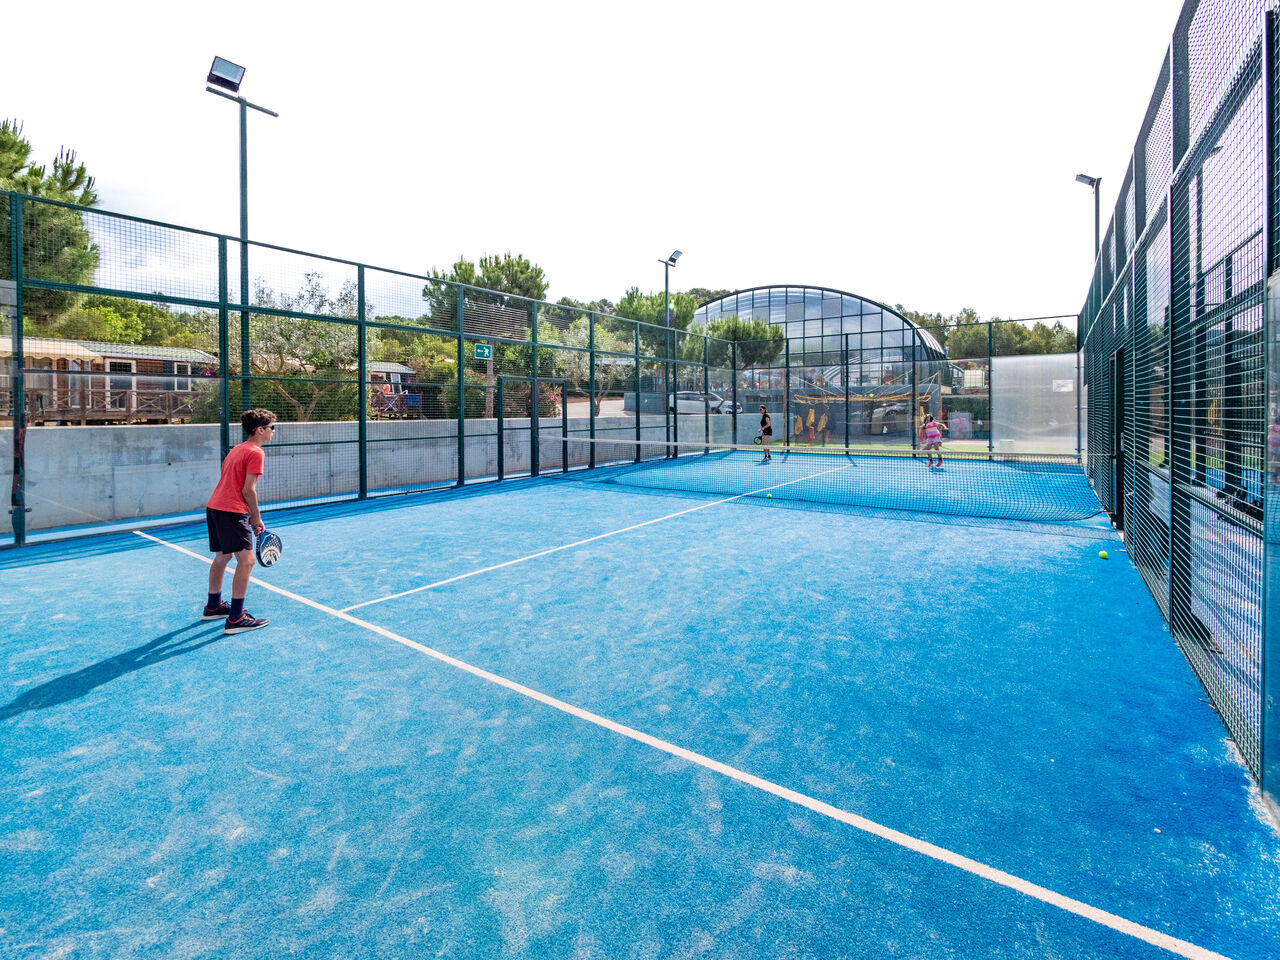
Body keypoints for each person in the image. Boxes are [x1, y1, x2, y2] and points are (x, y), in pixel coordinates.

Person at [203, 408, 276, 634]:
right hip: (230, 511)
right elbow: (248, 490)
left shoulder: (237, 449)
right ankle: (236, 618)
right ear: (260, 430)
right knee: (247, 560)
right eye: (271, 428)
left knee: (222, 557)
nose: (274, 431)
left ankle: (213, 606)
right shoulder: (256, 452)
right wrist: (256, 518)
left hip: (214, 507)